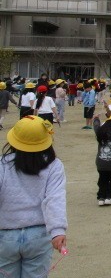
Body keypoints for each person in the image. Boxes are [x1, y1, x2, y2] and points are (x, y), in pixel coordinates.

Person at [0, 116, 68, 276]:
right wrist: (58, 230)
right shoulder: (54, 165)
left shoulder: (3, 164)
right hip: (38, 236)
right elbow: (55, 199)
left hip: (5, 235)